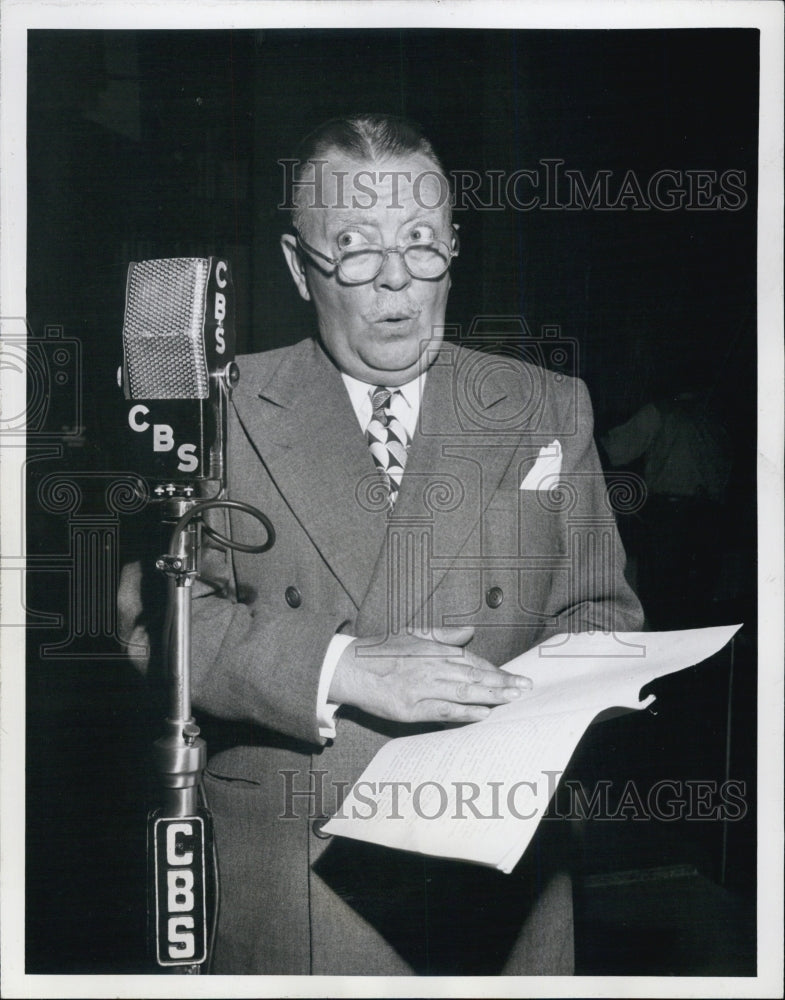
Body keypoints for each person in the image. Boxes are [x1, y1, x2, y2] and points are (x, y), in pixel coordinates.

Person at [119, 113, 643, 975]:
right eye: (355, 248)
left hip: (503, 868)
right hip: (298, 870)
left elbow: (600, 613)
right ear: (300, 266)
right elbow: (151, 620)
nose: (396, 280)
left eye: (422, 242)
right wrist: (338, 668)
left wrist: (529, 714)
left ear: (453, 248)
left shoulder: (546, 404)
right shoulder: (219, 410)